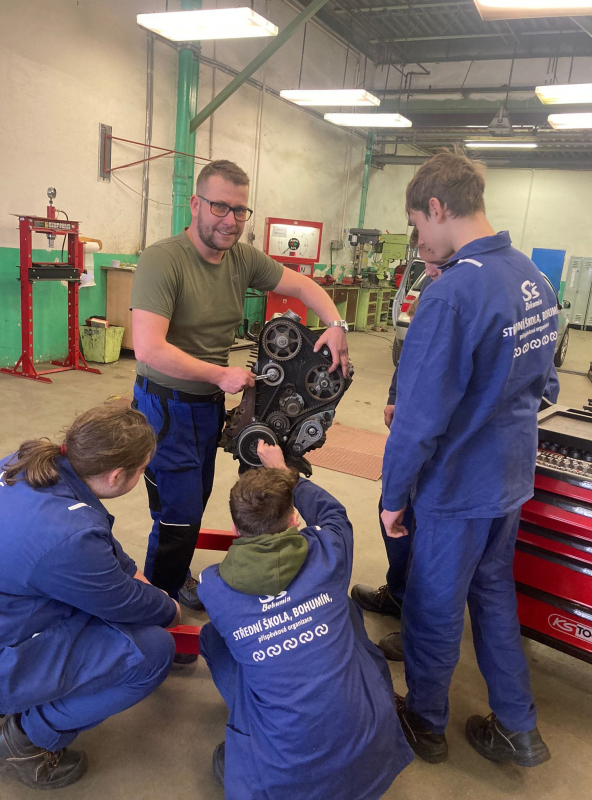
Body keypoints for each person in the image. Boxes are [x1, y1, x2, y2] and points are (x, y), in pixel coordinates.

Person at [381, 150, 557, 768]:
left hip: (456, 485)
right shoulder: (532, 278)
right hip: (510, 478)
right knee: (492, 594)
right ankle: (518, 727)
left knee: (433, 603)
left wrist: (393, 496)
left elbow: (418, 420)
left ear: (436, 207)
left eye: (417, 225)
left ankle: (425, 721)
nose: (419, 241)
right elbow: (546, 386)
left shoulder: (452, 292)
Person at [131, 160, 350, 628]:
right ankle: (159, 616)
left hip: (208, 406)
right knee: (178, 518)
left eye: (239, 210)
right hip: (165, 406)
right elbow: (149, 348)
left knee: (191, 503)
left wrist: (335, 324)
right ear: (195, 204)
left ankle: (173, 578)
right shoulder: (162, 259)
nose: (230, 220)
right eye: (219, 207)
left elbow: (302, 284)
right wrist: (219, 374)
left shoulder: (242, 259)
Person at [197, 440, 413, 800]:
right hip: (371, 758)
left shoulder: (214, 588)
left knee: (214, 637)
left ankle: (250, 747)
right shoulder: (328, 552)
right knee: (344, 611)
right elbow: (333, 513)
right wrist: (285, 471)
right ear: (294, 520)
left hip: (283, 784)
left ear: (236, 529)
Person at [0, 406, 179, 791]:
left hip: (12, 600)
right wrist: (169, 609)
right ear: (116, 475)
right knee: (152, 651)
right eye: (142, 469)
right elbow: (121, 598)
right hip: (6, 645)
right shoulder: (68, 536)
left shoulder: (26, 462)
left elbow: (94, 540)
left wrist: (132, 573)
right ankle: (28, 739)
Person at [352, 240, 444, 628]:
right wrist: (394, 397)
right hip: (427, 438)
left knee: (409, 519)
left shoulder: (456, 302)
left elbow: (421, 419)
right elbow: (409, 357)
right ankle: (400, 594)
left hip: (442, 447)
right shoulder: (434, 292)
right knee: (400, 515)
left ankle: (416, 620)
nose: (427, 268)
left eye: (433, 259)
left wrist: (393, 497)